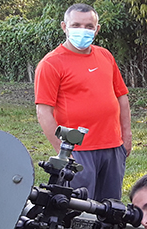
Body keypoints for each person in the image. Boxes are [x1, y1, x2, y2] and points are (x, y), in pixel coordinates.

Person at [34, 3, 132, 201]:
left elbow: (121, 97)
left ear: (97, 29)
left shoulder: (105, 56)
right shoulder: (51, 64)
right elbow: (44, 112)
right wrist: (63, 153)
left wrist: (126, 136)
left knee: (111, 208)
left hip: (113, 147)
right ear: (64, 27)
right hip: (79, 150)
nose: (83, 30)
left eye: (88, 26)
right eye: (76, 25)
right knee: (80, 208)